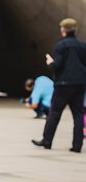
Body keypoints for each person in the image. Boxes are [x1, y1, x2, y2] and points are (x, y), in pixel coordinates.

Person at [33, 18, 86, 152]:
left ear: (63, 30)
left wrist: (50, 62)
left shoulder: (61, 45)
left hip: (63, 84)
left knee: (55, 112)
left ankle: (47, 141)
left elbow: (57, 65)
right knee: (78, 115)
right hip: (79, 84)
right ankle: (77, 145)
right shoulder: (82, 45)